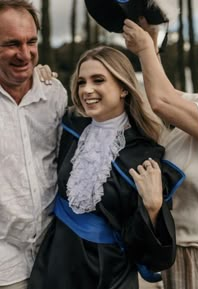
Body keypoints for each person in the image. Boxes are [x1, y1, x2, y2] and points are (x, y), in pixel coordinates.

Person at [27, 45, 185, 289]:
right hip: (56, 257)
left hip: (108, 272)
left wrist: (153, 208)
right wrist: (33, 78)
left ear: (124, 88)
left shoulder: (143, 154)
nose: (86, 90)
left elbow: (151, 254)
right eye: (81, 82)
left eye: (98, 80)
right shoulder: (69, 126)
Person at [123, 17, 198, 289]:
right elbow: (166, 94)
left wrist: (145, 51)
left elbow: (161, 101)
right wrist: (152, 44)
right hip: (179, 250)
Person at [0, 1, 67, 288]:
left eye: (31, 42)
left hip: (54, 250)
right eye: (12, 44)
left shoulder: (55, 94)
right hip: (5, 259)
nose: (25, 54)